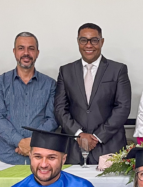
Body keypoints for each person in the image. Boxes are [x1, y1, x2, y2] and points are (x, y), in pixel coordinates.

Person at [55, 23, 132, 166]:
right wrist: (79, 134)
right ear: (78, 42)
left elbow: (123, 107)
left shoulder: (118, 69)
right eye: (84, 40)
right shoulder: (65, 71)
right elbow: (60, 109)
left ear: (102, 42)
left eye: (94, 40)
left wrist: (96, 137)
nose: (89, 45)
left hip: (109, 146)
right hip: (74, 148)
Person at [0, 32, 58, 165]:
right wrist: (20, 142)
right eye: (21, 48)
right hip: (6, 159)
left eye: (31, 48)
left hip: (41, 160)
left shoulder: (50, 84)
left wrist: (32, 142)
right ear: (14, 52)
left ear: (37, 53)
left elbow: (53, 120)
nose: (26, 53)